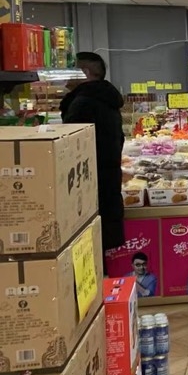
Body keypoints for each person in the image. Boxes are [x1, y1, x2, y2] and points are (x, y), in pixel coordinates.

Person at [60, 52, 125, 255]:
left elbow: (72, 149)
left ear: (84, 72)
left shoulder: (84, 102)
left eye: (71, 70)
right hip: (106, 182)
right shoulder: (105, 98)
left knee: (90, 249)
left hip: (89, 187)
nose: (65, 77)